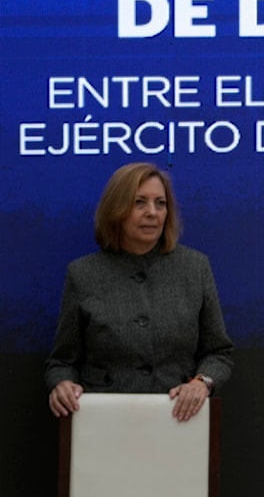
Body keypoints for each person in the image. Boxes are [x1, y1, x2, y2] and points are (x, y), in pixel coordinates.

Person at [45, 162, 234, 423]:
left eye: (160, 203)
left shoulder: (195, 267)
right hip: (105, 423)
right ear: (116, 210)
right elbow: (62, 363)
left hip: (178, 420)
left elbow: (219, 353)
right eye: (139, 203)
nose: (152, 213)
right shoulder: (83, 274)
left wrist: (202, 383)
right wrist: (62, 384)